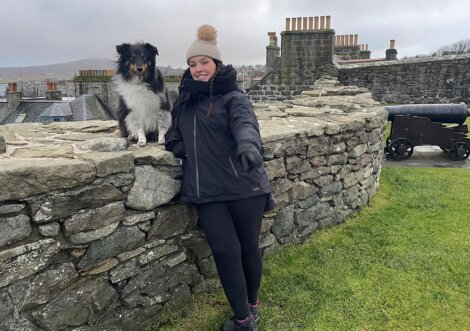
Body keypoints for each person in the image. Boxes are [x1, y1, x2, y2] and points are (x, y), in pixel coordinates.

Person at [165, 24, 275, 331]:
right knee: (227, 255)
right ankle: (243, 320)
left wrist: (249, 146)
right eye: (192, 64)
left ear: (216, 64)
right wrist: (179, 145)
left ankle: (252, 307)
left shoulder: (233, 97)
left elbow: (246, 126)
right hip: (206, 190)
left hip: (244, 185)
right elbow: (172, 133)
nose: (198, 69)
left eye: (204, 62)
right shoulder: (184, 100)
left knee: (249, 248)